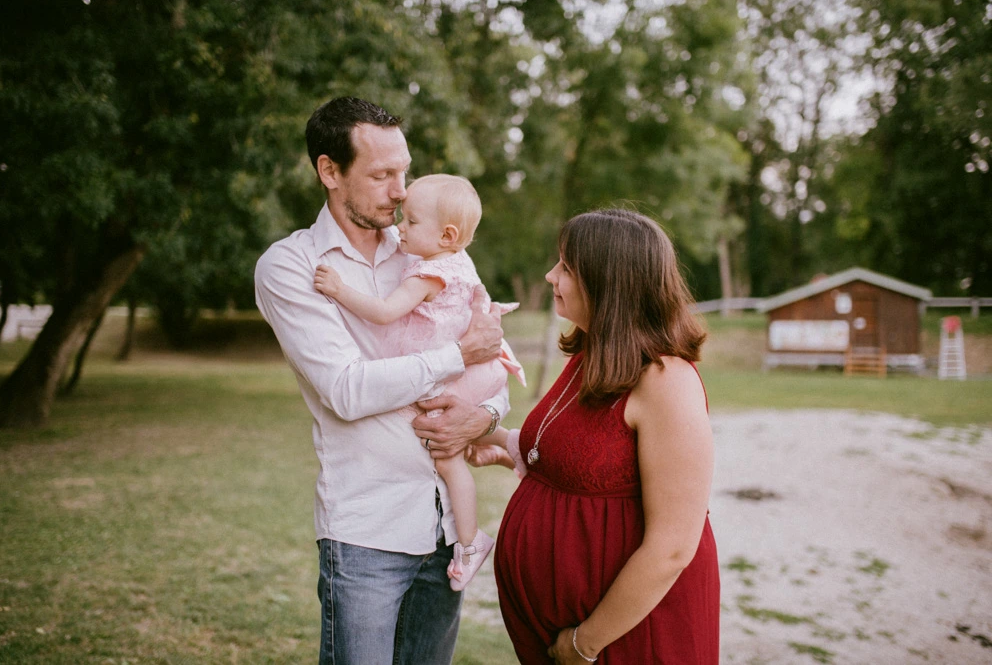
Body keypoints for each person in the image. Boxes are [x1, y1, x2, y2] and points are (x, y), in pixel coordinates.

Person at [253, 96, 509, 665]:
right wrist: (455, 353)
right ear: (329, 171)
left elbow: (493, 355)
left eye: (405, 171)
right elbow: (347, 391)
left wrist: (485, 416)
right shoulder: (292, 267)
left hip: (445, 527)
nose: (400, 190)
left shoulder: (430, 249)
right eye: (381, 174)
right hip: (366, 531)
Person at [456, 208, 719, 664]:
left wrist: (585, 643)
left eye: (566, 268)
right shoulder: (592, 353)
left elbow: (674, 545)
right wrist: (499, 445)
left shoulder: (665, 381)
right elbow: (579, 456)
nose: (550, 275)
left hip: (628, 635)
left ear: (609, 284)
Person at [312, 173, 525, 591]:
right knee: (462, 436)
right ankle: (507, 443)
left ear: (446, 234)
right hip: (475, 372)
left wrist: (339, 289)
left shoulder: (429, 275)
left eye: (410, 222)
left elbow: (383, 312)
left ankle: (469, 542)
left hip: (450, 373)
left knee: (446, 458)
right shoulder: (460, 261)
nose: (398, 227)